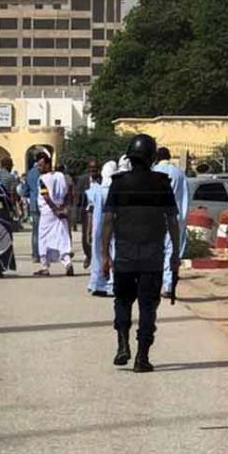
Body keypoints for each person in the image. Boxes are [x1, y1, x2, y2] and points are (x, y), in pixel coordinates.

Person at [101, 134, 179, 373]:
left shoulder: (118, 183)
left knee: (122, 301)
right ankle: (141, 358)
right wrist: (175, 253)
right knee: (148, 306)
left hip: (124, 254)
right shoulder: (161, 183)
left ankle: (123, 345)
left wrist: (105, 255)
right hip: (151, 256)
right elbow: (172, 221)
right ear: (152, 157)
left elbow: (108, 220)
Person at [153, 146, 192, 296]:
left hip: (156, 216)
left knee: (156, 249)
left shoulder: (154, 171)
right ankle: (168, 285)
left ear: (157, 158)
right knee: (171, 249)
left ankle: (155, 283)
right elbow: (185, 197)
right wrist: (182, 217)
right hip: (174, 216)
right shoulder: (179, 173)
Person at [34, 156, 74, 276]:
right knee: (62, 237)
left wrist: (55, 209)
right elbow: (69, 191)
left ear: (48, 164)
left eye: (41, 165)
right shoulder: (61, 176)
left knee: (43, 238)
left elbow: (45, 195)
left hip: (48, 212)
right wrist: (64, 207)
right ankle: (67, 262)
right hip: (61, 211)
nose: (39, 168)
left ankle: (45, 266)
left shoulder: (42, 179)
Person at [87, 160, 118, 297]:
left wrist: (89, 230)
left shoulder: (96, 191)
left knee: (98, 254)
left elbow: (90, 210)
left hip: (98, 229)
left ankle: (98, 283)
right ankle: (112, 283)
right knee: (113, 252)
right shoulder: (115, 191)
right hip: (113, 228)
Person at [22, 153, 46, 262]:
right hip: (45, 203)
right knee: (45, 230)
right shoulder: (45, 172)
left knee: (35, 231)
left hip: (33, 204)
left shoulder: (30, 173)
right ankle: (44, 253)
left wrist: (31, 195)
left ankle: (35, 255)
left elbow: (24, 191)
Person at [77, 159, 100, 268]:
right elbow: (77, 196)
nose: (93, 171)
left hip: (98, 211)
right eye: (91, 168)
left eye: (95, 169)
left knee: (97, 234)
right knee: (86, 235)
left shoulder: (102, 180)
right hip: (87, 212)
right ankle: (88, 255)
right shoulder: (83, 180)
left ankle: (96, 256)